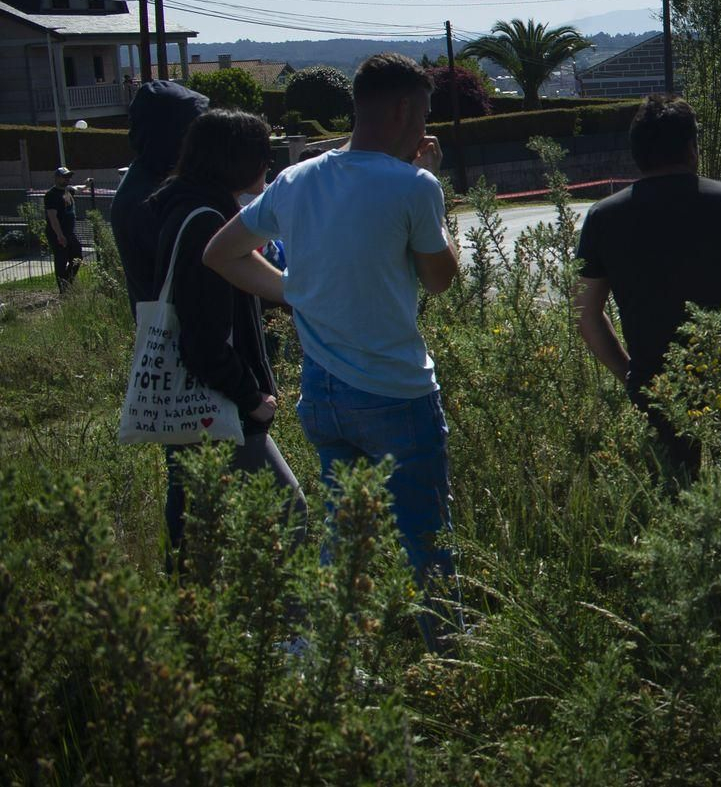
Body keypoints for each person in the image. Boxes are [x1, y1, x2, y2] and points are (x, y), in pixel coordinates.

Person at [204, 53, 460, 638]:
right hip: (396, 393)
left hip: (322, 393)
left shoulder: (297, 179)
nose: (425, 130)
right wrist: (434, 186)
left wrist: (294, 292)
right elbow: (441, 280)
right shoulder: (415, 185)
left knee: (342, 538)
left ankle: (324, 661)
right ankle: (450, 661)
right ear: (401, 110)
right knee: (428, 541)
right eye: (422, 115)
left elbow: (221, 253)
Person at [574, 95, 721, 526]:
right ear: (692, 148)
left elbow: (585, 314)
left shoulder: (603, 218)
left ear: (636, 153)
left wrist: (630, 373)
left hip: (657, 381)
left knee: (673, 504)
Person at [147, 109, 306, 564]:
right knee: (288, 511)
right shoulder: (208, 222)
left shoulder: (182, 207)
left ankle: (206, 622)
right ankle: (286, 631)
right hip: (219, 409)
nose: (268, 167)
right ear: (236, 160)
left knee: (206, 533)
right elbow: (203, 340)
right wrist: (251, 397)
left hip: (192, 408)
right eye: (263, 155)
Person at [111, 80, 210, 312]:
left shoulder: (151, 177)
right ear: (172, 135)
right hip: (178, 335)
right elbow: (200, 268)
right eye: (195, 130)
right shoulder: (149, 198)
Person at [43, 166, 83, 293]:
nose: (67, 179)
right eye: (64, 177)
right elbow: (52, 217)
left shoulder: (68, 190)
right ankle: (63, 289)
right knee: (61, 259)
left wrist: (87, 184)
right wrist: (60, 235)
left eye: (68, 176)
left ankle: (67, 282)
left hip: (69, 232)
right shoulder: (51, 195)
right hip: (57, 233)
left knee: (77, 257)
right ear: (57, 178)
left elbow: (78, 188)